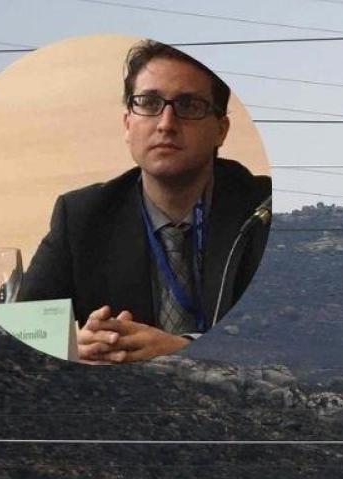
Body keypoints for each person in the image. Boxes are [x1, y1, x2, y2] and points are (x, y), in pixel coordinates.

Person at [21, 40, 271, 363]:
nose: (166, 123)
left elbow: (290, 341)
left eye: (189, 105)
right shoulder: (82, 217)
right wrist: (70, 346)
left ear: (220, 130)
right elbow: (24, 330)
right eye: (149, 103)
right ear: (128, 124)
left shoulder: (263, 211)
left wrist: (184, 349)